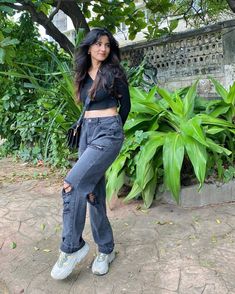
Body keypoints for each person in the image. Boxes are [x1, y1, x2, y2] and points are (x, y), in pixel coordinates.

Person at [51, 28, 131, 280]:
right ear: (88, 47)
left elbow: (125, 105)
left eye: (107, 45)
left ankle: (72, 247)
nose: (103, 49)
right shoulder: (82, 76)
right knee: (93, 194)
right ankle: (106, 250)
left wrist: (113, 128)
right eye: (98, 44)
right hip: (87, 133)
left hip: (108, 133)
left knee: (71, 185)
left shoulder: (114, 72)